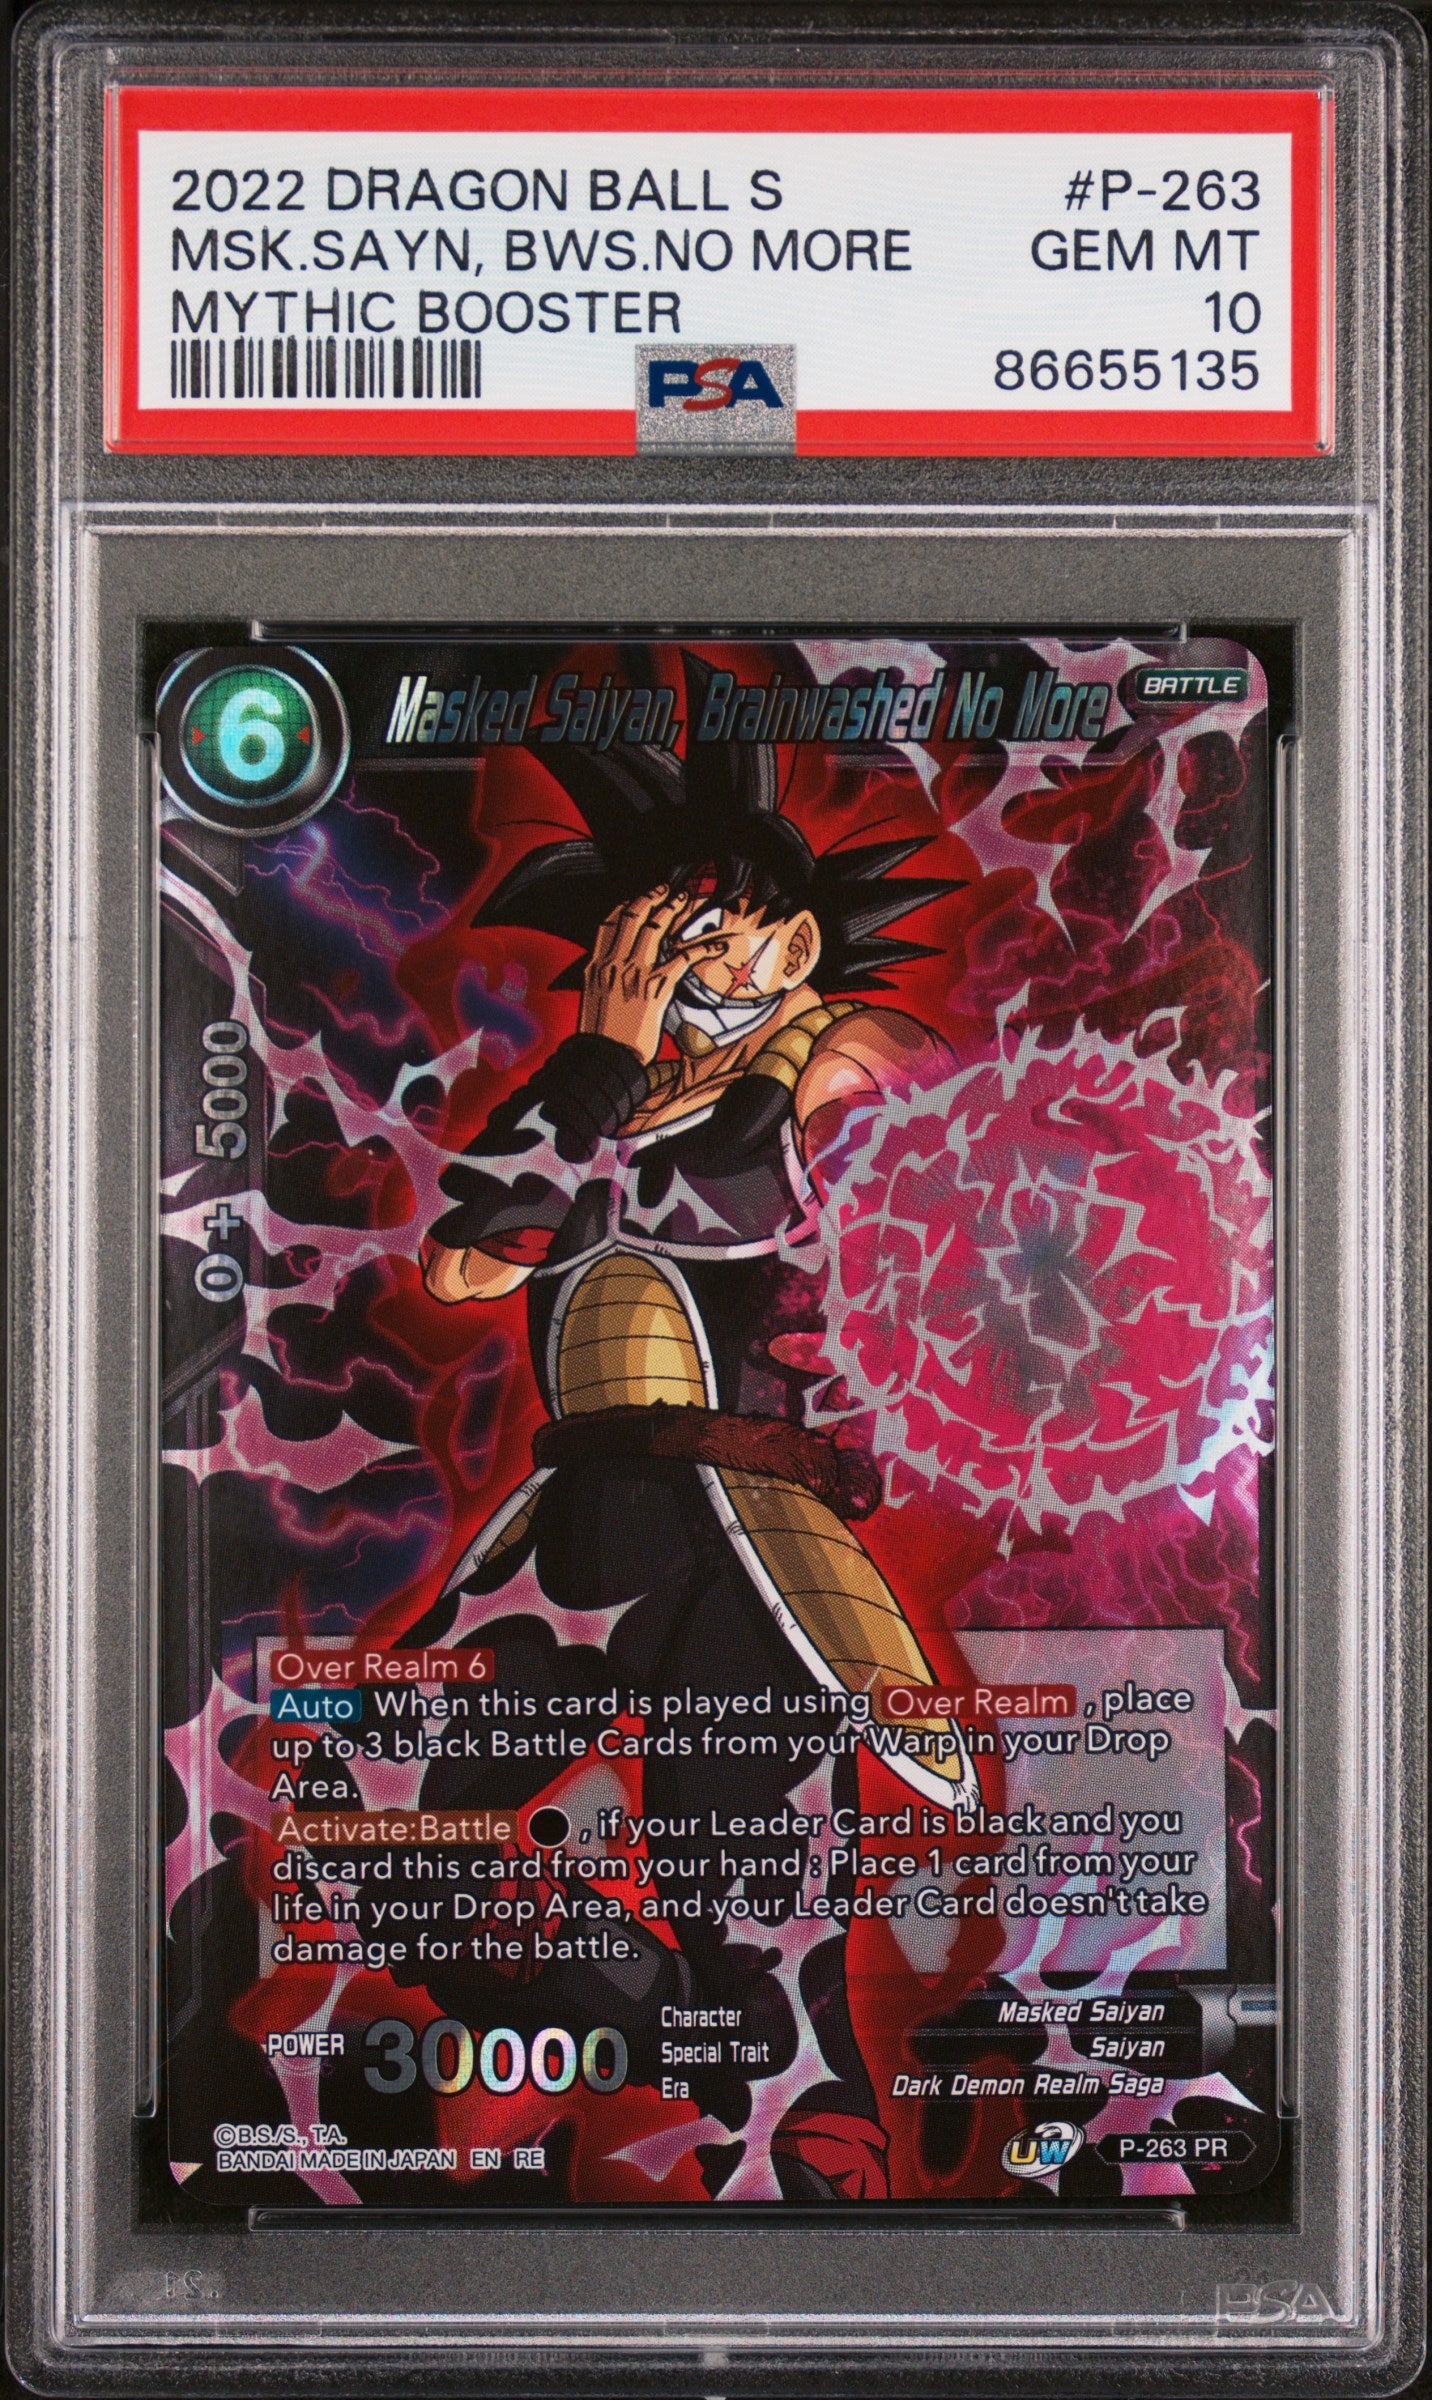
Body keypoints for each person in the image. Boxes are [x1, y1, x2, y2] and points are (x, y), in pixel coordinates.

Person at [410, 652, 978, 2200]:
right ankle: (681, 2033)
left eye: (718, 926)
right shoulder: (609, 1089)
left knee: (759, 1924)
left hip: (751, 1538)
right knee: (388, 1853)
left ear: (796, 939)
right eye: (658, 931)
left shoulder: (835, 1052)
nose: (693, 959)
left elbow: (937, 1169)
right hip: (568, 1531)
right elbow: (465, 1266)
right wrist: (601, 1051)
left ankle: (806, 2154)